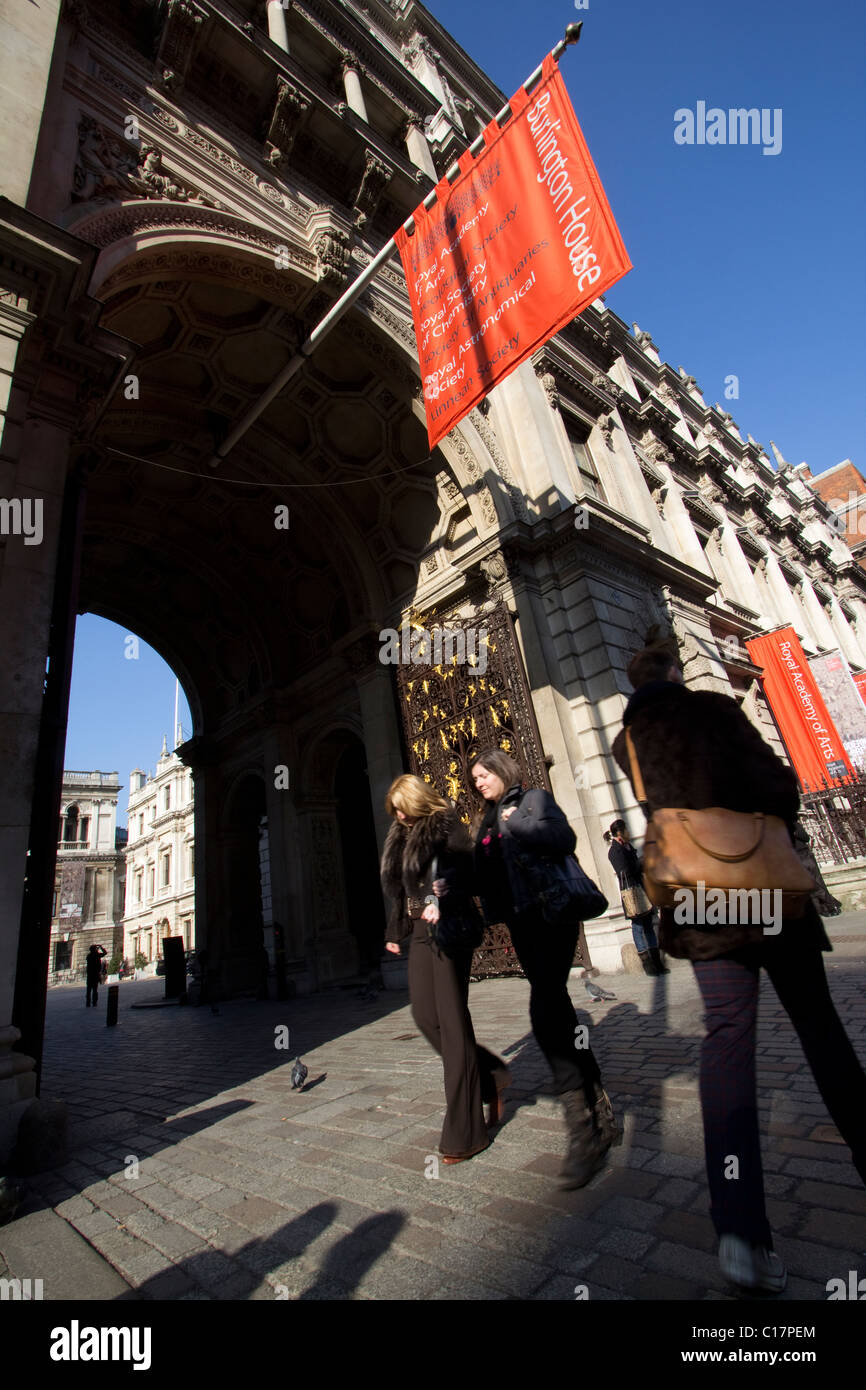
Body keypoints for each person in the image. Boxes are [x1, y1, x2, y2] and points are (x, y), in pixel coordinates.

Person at [612, 645, 866, 1292]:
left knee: (726, 1044)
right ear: (674, 672)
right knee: (820, 1029)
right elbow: (778, 785)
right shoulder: (716, 709)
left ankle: (739, 1236)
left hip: (701, 899)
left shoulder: (629, 742)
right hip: (765, 887)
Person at [469, 748, 620, 1189]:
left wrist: (515, 822)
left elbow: (563, 840)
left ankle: (582, 1129)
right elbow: (485, 875)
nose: (478, 783)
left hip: (552, 913)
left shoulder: (533, 800)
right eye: (474, 778)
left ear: (501, 771)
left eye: (483, 775)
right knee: (558, 1008)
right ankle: (600, 1107)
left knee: (546, 1006)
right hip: (521, 919)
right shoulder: (483, 822)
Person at [380, 774, 509, 1164]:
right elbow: (402, 887)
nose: (397, 814)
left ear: (416, 801)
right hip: (420, 930)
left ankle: (466, 1133)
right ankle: (491, 1076)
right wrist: (395, 930)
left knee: (452, 1022)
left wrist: (445, 891)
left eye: (401, 806)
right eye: (393, 809)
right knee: (424, 1015)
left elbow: (469, 870)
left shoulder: (446, 822)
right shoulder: (399, 832)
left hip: (450, 925)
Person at [603, 819, 668, 975]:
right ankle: (647, 964)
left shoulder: (627, 846)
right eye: (626, 830)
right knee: (638, 925)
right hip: (630, 892)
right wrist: (639, 863)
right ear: (619, 832)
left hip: (640, 888)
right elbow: (623, 870)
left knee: (648, 924)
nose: (629, 833)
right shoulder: (615, 851)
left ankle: (657, 962)